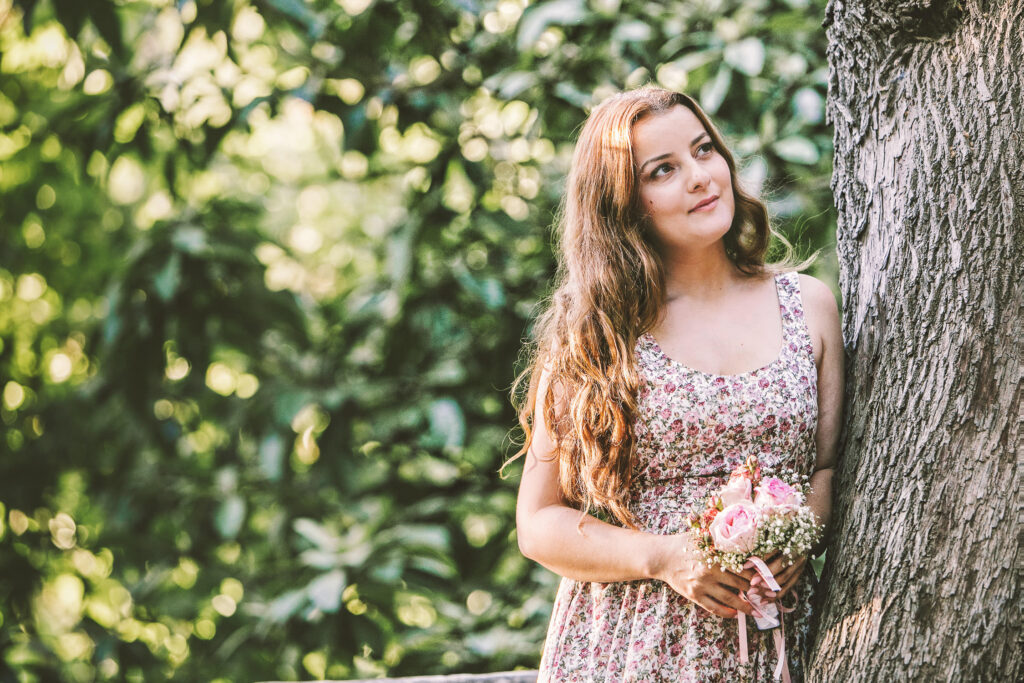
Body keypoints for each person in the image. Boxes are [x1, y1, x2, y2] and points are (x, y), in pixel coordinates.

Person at [509, 86, 844, 681]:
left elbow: (826, 468)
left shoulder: (809, 306)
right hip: (631, 643)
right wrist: (662, 555)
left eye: (704, 150)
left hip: (786, 636)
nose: (699, 176)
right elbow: (538, 522)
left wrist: (803, 534)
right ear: (623, 204)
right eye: (663, 170)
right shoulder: (594, 332)